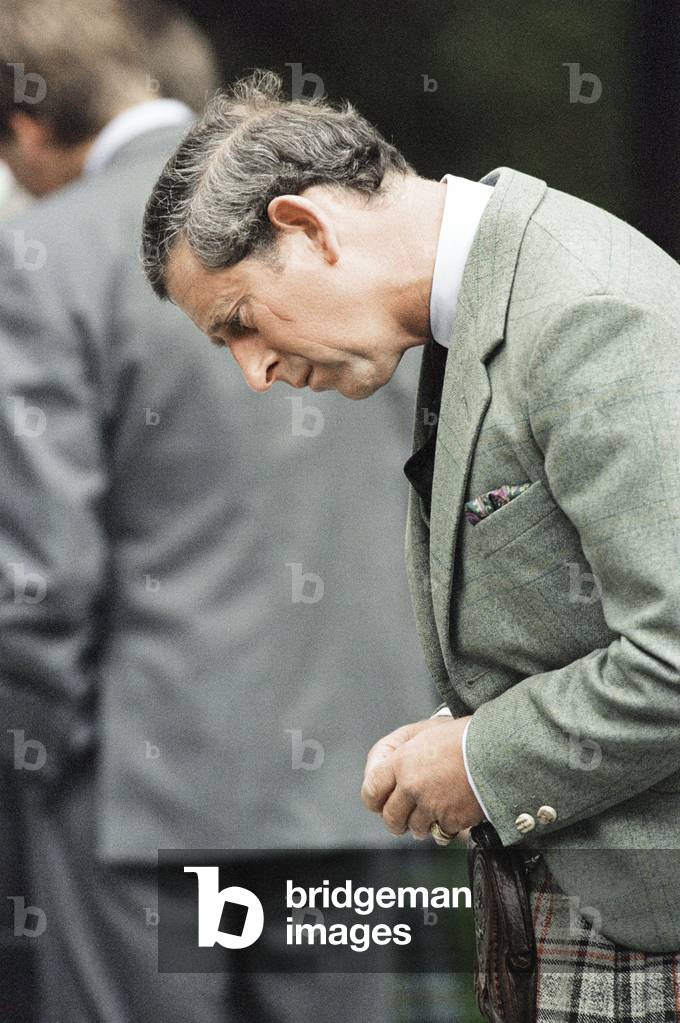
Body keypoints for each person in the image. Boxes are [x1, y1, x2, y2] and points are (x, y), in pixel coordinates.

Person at [142, 68, 680, 1022]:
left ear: (306, 228)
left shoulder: (588, 312)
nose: (253, 372)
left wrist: (480, 758)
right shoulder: (478, 308)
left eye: (238, 323)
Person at [0, 11, 439, 1022]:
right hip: (354, 770)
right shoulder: (341, 222)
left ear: (26, 132)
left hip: (142, 790)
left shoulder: (41, 258)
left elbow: (38, 583)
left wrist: (40, 761)